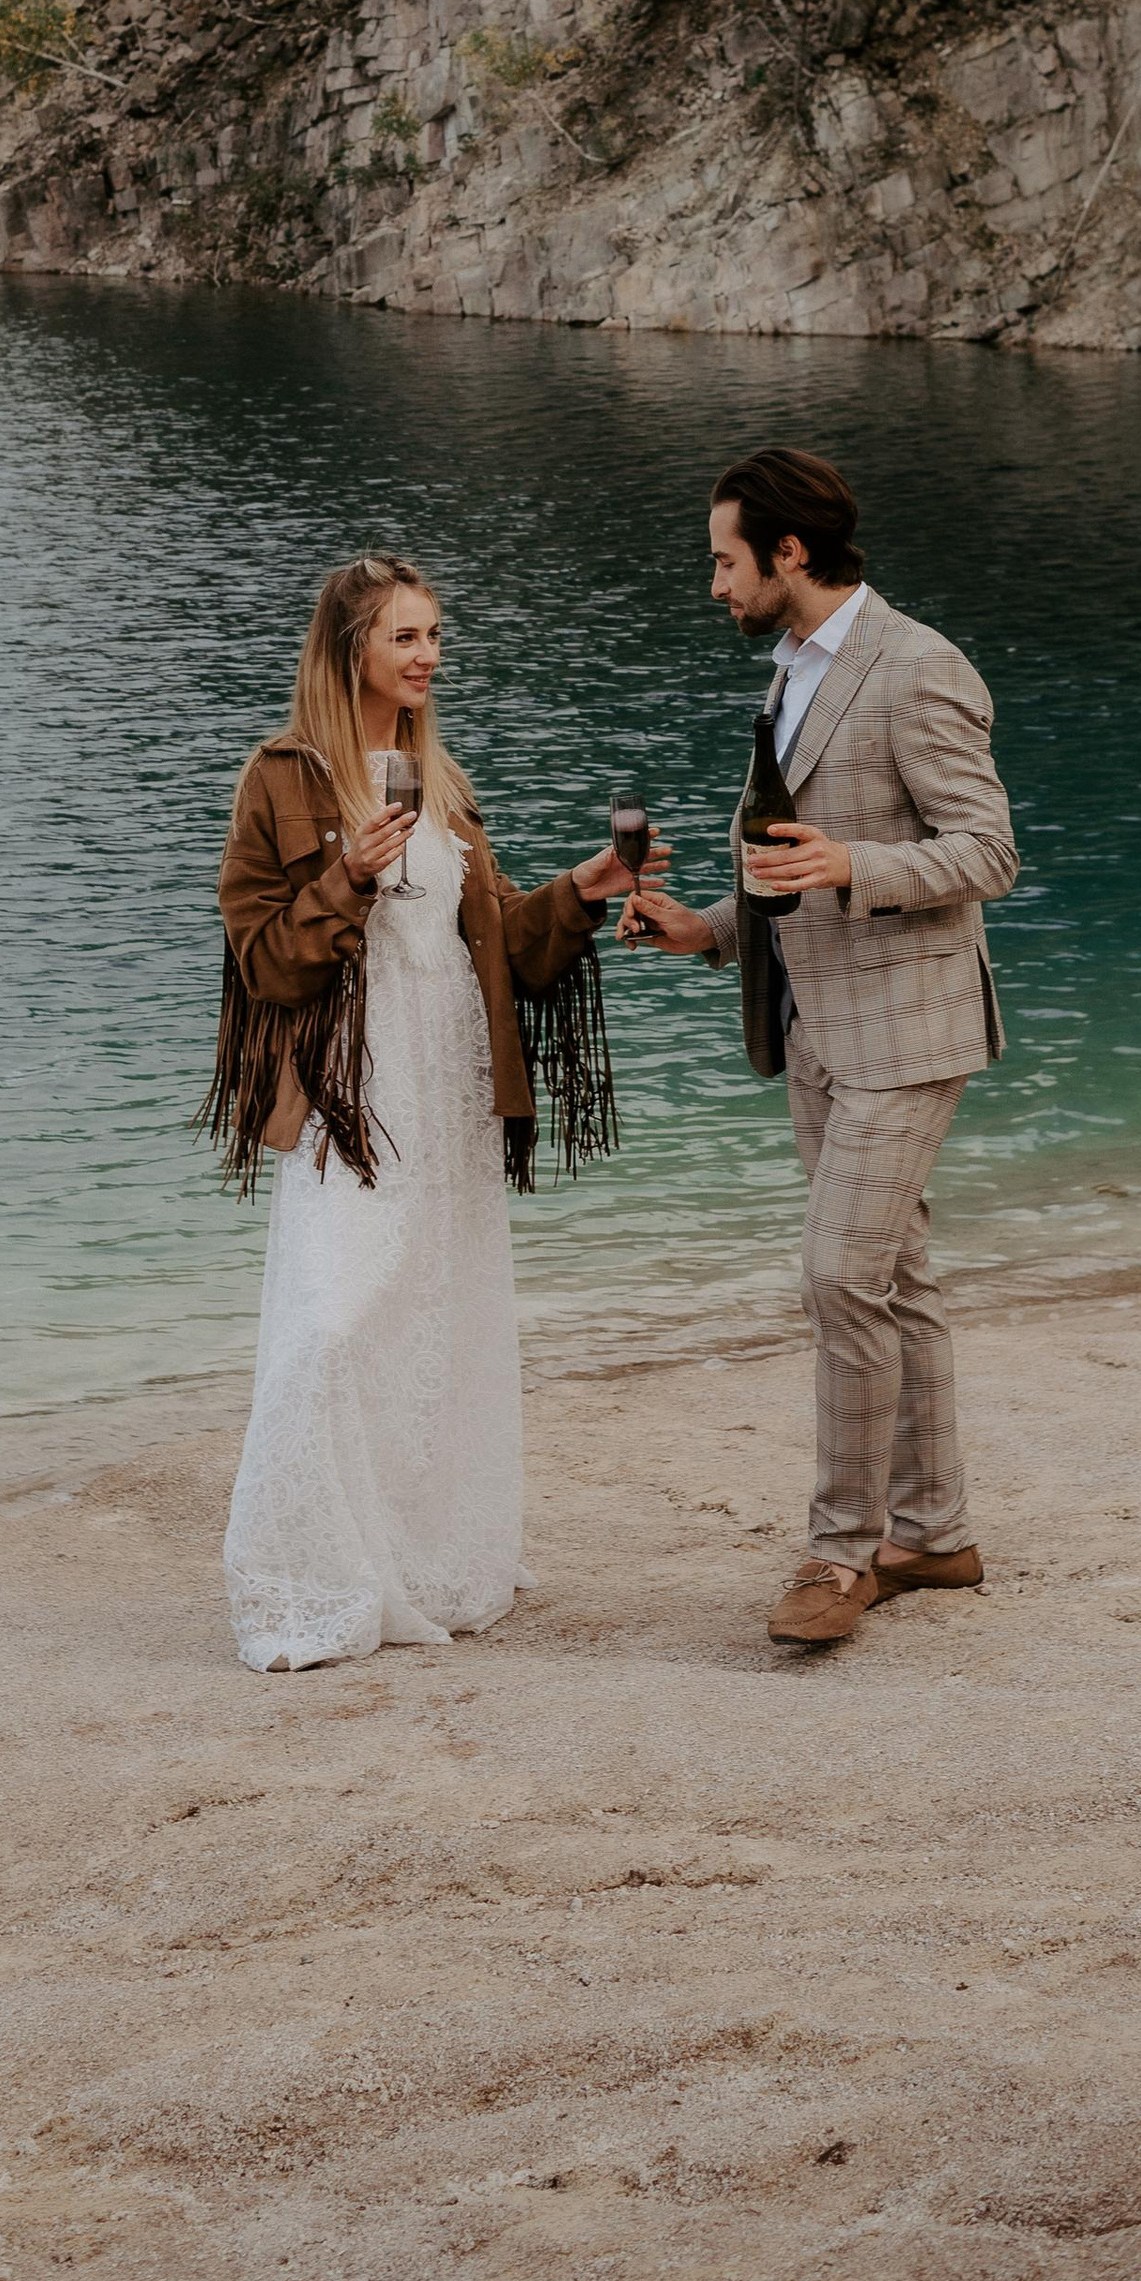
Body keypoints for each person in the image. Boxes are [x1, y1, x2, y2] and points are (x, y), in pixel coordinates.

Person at [201, 552, 647, 1674]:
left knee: (432, 1323)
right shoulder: (281, 778)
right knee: (334, 1319)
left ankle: (426, 1554)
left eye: (435, 635)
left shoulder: (437, 780)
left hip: (448, 1084)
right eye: (405, 636)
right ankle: (306, 1577)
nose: (427, 656)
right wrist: (346, 876)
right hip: (352, 1095)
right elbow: (262, 963)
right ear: (349, 645)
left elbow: (496, 943)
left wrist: (586, 890)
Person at [621, 447, 1016, 1649]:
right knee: (896, 1282)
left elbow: (988, 852)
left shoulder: (917, 668)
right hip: (814, 1033)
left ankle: (839, 1556)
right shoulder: (793, 672)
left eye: (724, 562)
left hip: (905, 1030)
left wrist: (855, 864)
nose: (713, 586)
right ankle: (932, 1532)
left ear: (789, 553)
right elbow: (793, 873)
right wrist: (708, 934)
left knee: (840, 1280)